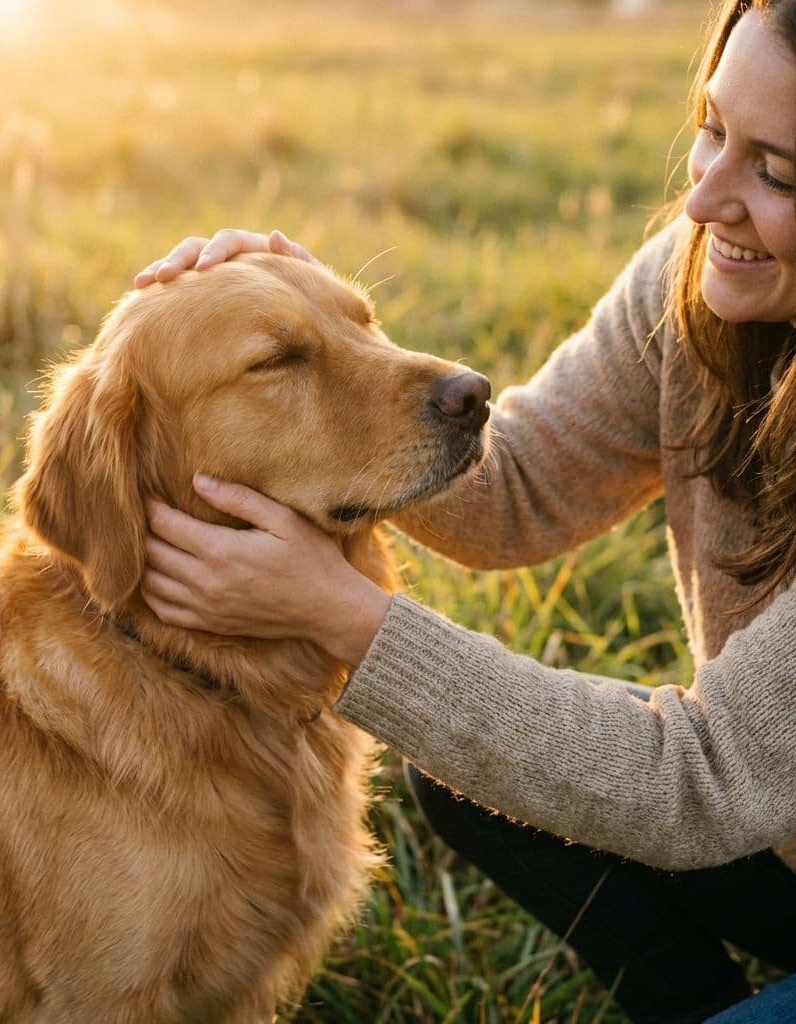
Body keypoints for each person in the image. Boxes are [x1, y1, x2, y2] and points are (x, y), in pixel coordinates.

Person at [133, 1, 796, 1021]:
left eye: (776, 172)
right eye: (712, 128)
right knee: (473, 765)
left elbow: (697, 777)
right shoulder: (696, 280)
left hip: (729, 793)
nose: (704, 197)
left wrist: (343, 618)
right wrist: (311, 338)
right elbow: (514, 487)